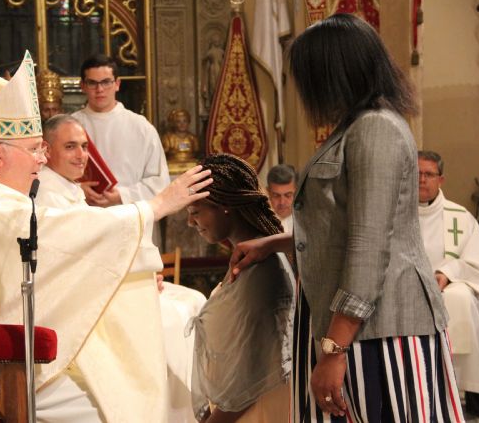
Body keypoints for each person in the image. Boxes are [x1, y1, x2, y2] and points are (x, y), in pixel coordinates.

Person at [0, 51, 212, 423]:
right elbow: (51, 233)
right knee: (101, 404)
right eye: (34, 149)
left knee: (110, 376)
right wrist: (153, 207)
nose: (42, 160)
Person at [229, 14, 463, 421]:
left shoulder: (375, 130)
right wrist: (274, 242)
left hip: (381, 329)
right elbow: (340, 226)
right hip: (351, 324)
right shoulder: (353, 128)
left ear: (335, 72)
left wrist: (334, 350)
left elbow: (370, 246)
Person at [36, 113, 207, 423]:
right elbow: (80, 248)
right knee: (177, 315)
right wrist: (135, 271)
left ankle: (185, 411)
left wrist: (139, 269)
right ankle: (171, 412)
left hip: (98, 284)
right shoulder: (47, 192)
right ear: (47, 151)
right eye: (71, 147)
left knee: (192, 301)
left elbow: (94, 241)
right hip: (76, 300)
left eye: (84, 146)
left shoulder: (65, 186)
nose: (82, 156)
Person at [187, 153, 294, 423]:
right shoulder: (251, 256)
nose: (191, 223)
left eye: (196, 212)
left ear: (223, 205)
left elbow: (253, 375)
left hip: (259, 411)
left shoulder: (262, 268)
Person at [417, 150, 479, 416]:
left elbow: (475, 259)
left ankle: (466, 387)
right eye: (417, 173)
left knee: (460, 299)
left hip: (448, 287)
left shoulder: (460, 216)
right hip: (409, 289)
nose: (422, 180)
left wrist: (447, 272)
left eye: (428, 174)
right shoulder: (395, 215)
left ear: (441, 179)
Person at [72, 54, 170, 209]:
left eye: (106, 82)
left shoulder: (141, 127)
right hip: (86, 216)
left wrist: (123, 196)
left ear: (117, 84)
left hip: (130, 214)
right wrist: (77, 190)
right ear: (82, 86)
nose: (100, 89)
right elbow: (53, 177)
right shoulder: (70, 126)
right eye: (92, 83)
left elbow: (160, 182)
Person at [162, 108, 200, 175]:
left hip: (190, 166)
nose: (182, 124)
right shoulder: (168, 138)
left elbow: (196, 150)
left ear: (188, 122)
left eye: (184, 121)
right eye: (178, 121)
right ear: (174, 123)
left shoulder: (193, 139)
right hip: (172, 167)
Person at [266, 164, 297, 233]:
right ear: (268, 192)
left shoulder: (308, 222)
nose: (282, 202)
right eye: (276, 195)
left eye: (288, 195)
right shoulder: (258, 223)